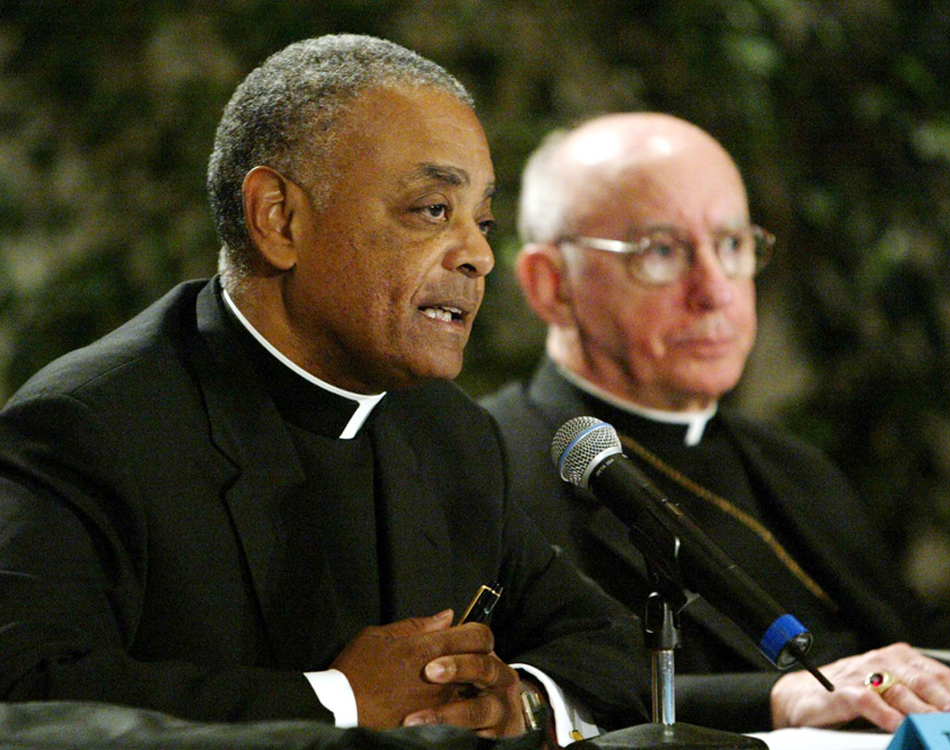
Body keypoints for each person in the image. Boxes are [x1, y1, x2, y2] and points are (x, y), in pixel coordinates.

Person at [0, 36, 650, 741]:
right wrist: (335, 701)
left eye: (483, 221)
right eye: (434, 210)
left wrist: (517, 699)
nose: (481, 254)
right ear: (280, 219)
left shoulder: (448, 434)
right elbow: (29, 693)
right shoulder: (92, 426)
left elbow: (603, 641)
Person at [480, 112, 950, 733]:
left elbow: (922, 643)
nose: (715, 291)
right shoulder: (489, 467)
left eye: (732, 245)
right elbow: (526, 699)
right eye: (661, 252)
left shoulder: (793, 465)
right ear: (551, 284)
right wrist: (774, 697)